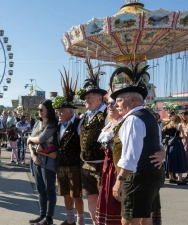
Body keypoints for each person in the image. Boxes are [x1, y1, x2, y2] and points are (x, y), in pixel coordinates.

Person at [109, 63, 165, 225]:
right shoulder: (149, 116)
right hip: (153, 174)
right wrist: (162, 152)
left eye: (119, 100)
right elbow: (158, 142)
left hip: (139, 176)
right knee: (145, 217)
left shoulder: (133, 119)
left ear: (132, 100)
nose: (116, 104)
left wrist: (120, 180)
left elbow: (131, 155)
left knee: (128, 220)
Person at [53, 72, 85, 225]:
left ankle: (80, 221)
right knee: (66, 194)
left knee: (76, 195)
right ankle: (70, 220)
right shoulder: (58, 126)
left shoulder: (79, 124)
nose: (58, 113)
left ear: (70, 112)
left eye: (61, 110)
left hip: (74, 166)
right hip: (61, 166)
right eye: (57, 110)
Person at [78, 59, 107, 224]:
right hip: (86, 164)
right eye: (85, 98)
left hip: (101, 164)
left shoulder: (108, 114)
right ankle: (95, 223)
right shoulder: (87, 116)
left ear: (99, 97)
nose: (85, 100)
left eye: (89, 97)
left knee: (105, 198)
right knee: (91, 195)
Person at [27, 99, 58, 225]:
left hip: (48, 159)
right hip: (36, 158)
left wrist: (31, 139)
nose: (39, 111)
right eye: (38, 109)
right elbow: (30, 142)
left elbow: (41, 138)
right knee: (40, 189)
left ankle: (49, 218)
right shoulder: (37, 124)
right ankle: (42, 215)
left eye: (41, 109)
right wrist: (33, 154)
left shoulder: (52, 124)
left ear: (48, 111)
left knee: (49, 189)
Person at [95, 97, 122, 225]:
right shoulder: (109, 123)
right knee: (107, 200)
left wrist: (162, 151)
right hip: (107, 168)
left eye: (113, 103)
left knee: (117, 204)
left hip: (118, 169)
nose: (110, 106)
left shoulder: (124, 123)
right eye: (108, 103)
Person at [162, 114, 188, 185]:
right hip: (177, 144)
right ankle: (180, 179)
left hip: (168, 145)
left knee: (170, 161)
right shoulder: (179, 125)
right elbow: (182, 136)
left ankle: (171, 178)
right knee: (180, 160)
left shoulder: (167, 126)